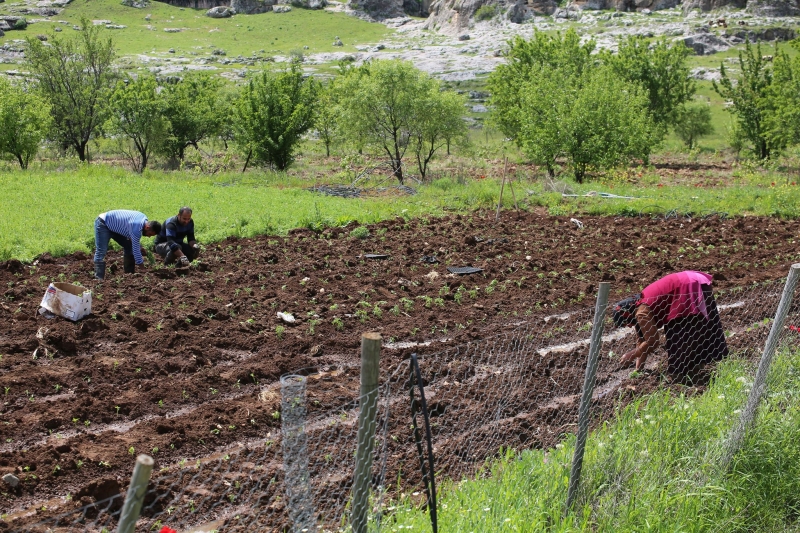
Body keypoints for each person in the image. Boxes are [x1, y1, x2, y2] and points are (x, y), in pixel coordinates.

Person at [612, 270, 729, 378]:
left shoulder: (641, 312)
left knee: (680, 332)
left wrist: (630, 355)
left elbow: (652, 341)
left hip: (688, 287)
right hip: (696, 281)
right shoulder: (638, 305)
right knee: (699, 326)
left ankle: (684, 373)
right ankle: (700, 364)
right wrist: (638, 370)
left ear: (627, 314)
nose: (629, 326)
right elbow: (642, 341)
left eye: (626, 323)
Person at [93, 210, 161, 280]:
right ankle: (99, 279)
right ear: (147, 227)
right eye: (149, 234)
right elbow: (136, 251)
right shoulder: (137, 229)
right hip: (104, 224)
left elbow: (131, 236)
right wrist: (142, 268)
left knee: (129, 246)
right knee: (101, 250)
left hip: (115, 227)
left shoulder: (143, 219)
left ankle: (129, 274)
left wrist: (139, 246)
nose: (149, 236)